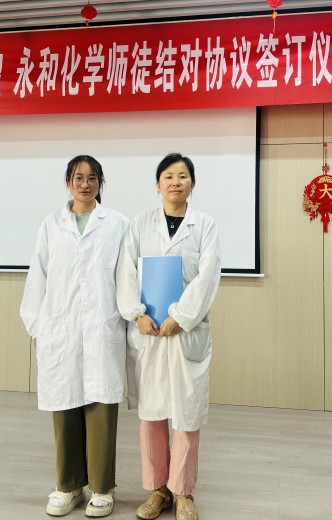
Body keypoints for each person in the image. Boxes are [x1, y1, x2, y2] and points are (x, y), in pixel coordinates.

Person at [19, 155, 129, 518]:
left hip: (102, 325)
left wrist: (129, 319)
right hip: (60, 327)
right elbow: (38, 275)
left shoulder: (117, 224)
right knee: (64, 404)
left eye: (92, 178)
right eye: (78, 177)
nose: (85, 183)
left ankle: (102, 487)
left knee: (101, 405)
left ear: (101, 183)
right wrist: (36, 325)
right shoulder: (51, 225)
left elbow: (127, 277)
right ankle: (68, 486)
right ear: (68, 182)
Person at [117, 153, 222, 520]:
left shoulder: (204, 225)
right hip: (149, 331)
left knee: (186, 414)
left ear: (192, 183)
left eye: (183, 176)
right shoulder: (139, 224)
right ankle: (157, 489)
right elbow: (125, 271)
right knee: (151, 413)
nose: (176, 182)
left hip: (184, 331)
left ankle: (183, 492)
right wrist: (137, 313)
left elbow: (208, 276)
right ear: (157, 184)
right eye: (169, 176)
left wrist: (180, 316)